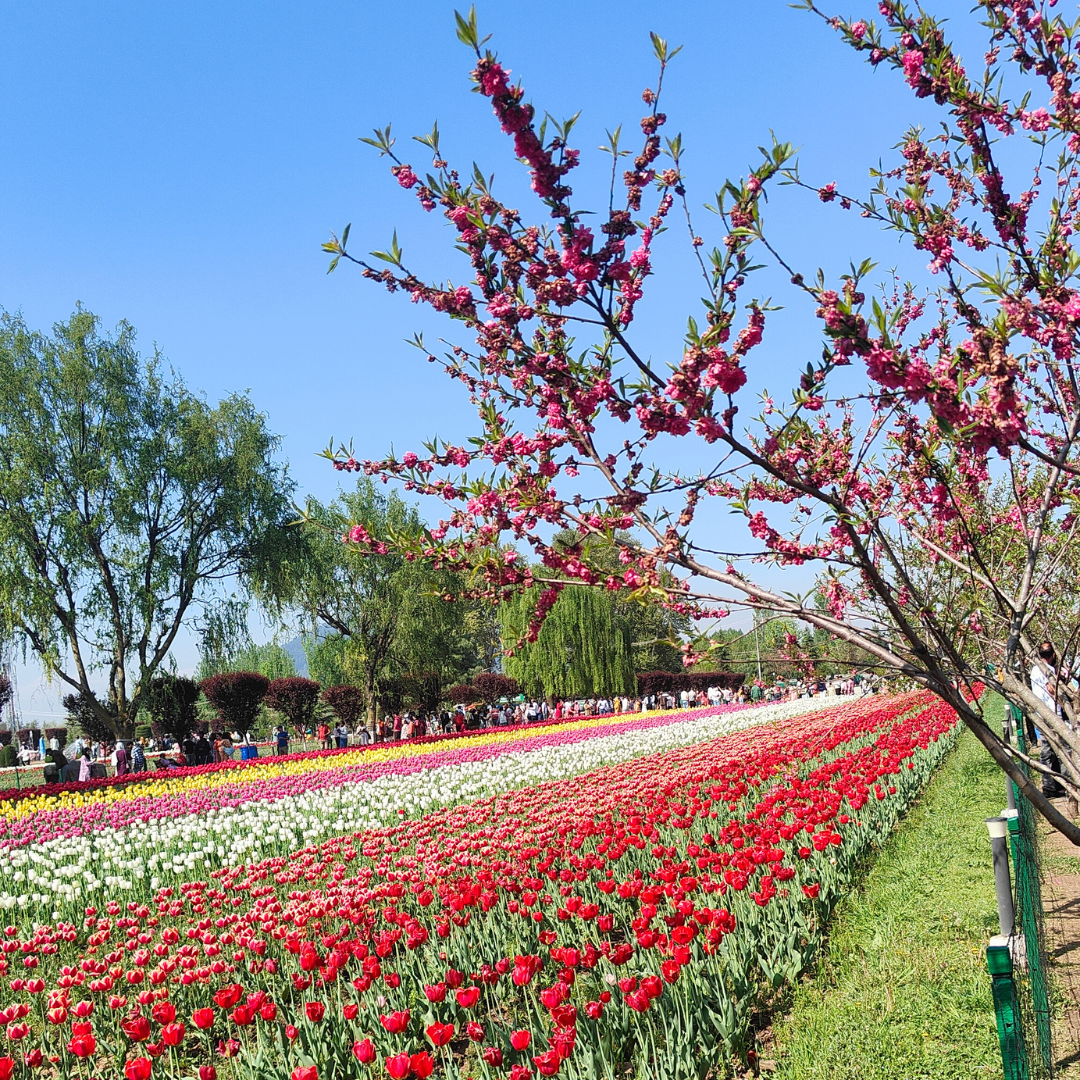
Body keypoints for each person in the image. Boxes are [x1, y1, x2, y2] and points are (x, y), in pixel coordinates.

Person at [1032, 640, 1068, 799]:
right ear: (1053, 655)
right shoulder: (1048, 670)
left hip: (1041, 714)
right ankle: (1067, 785)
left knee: (1048, 751)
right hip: (1052, 714)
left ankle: (1051, 787)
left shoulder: (1034, 670)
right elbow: (1051, 689)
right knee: (1064, 750)